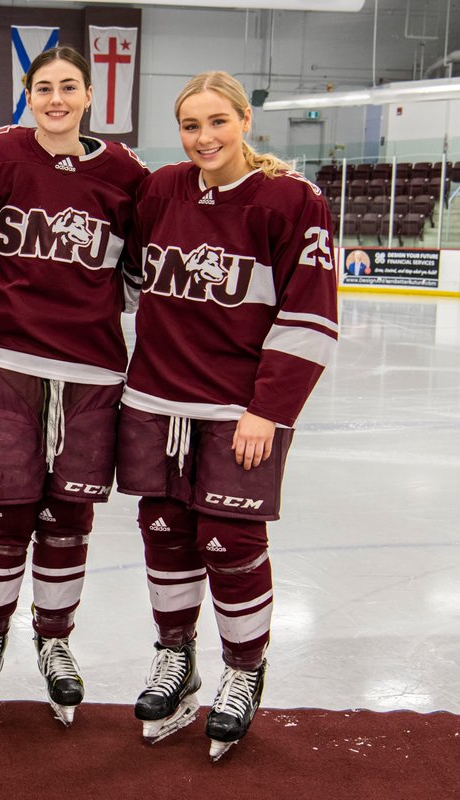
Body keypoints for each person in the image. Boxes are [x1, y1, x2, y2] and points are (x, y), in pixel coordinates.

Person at [118, 70, 338, 761]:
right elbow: (129, 278)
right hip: (155, 398)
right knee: (164, 531)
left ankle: (244, 673)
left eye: (218, 121)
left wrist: (267, 411)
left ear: (245, 121)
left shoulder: (290, 200)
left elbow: (310, 318)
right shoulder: (162, 189)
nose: (203, 137)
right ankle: (176, 659)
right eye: (190, 125)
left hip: (238, 410)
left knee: (229, 540)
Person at [0, 46, 149, 726]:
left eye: (69, 87)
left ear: (90, 96)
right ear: (28, 96)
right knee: (4, 512)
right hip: (7, 359)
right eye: (44, 88)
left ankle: (55, 640)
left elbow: (134, 273)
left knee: (69, 516)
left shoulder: (126, 172)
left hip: (92, 369)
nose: (57, 99)